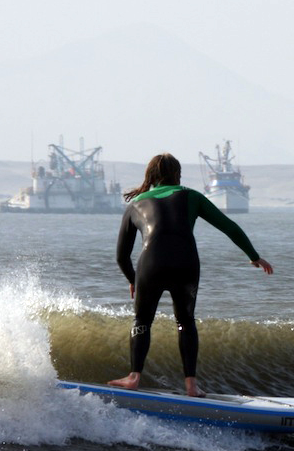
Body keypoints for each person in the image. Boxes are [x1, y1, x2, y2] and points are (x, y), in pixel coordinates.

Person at [109, 153, 273, 397]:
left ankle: (134, 377)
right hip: (185, 264)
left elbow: (122, 256)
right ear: (178, 175)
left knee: (142, 321)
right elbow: (228, 226)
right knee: (185, 321)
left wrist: (133, 280)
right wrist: (253, 255)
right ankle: (191, 385)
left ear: (151, 176)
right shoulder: (191, 196)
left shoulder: (136, 204)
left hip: (151, 265)